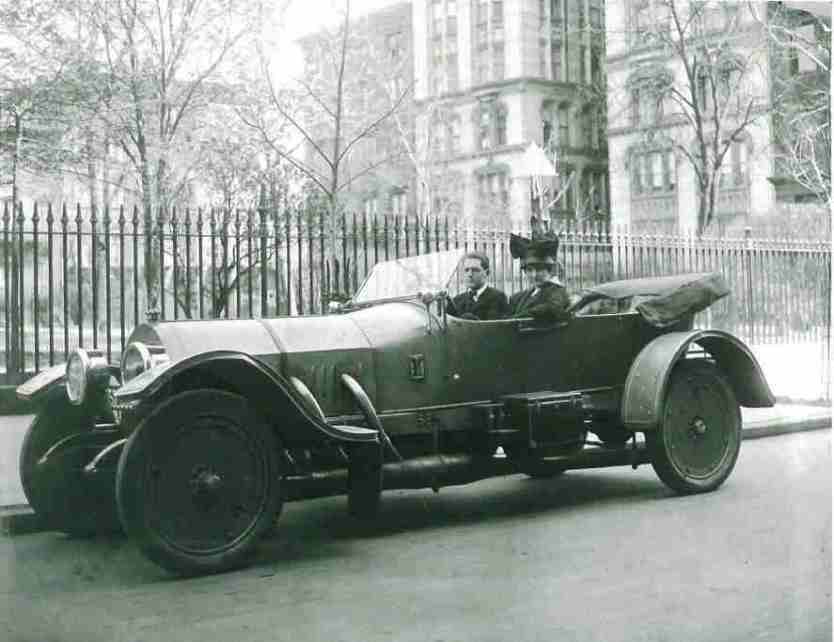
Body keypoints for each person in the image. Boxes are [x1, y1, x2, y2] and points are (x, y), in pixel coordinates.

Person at [507, 233, 571, 322]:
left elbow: (551, 309)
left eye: (539, 270)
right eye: (529, 270)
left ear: (550, 270)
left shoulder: (557, 292)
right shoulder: (519, 297)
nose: (534, 275)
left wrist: (516, 318)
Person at [446, 252, 509, 320]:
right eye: (466, 270)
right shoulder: (457, 300)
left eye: (475, 270)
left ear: (487, 273)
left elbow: (496, 327)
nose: (470, 274)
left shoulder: (498, 298)